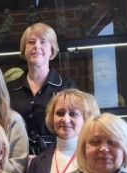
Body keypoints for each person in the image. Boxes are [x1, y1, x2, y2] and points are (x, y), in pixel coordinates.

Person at [8, 23, 78, 153]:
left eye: (43, 42)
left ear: (52, 49)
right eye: (31, 42)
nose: (37, 46)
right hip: (18, 156)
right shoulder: (10, 89)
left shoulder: (67, 87)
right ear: (24, 50)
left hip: (56, 156)